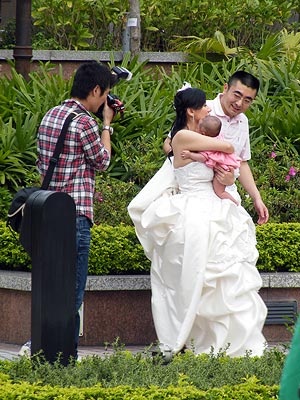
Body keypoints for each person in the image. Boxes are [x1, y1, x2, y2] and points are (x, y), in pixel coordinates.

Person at [128, 86, 267, 358]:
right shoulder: (181, 136)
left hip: (214, 206)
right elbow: (228, 147)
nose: (208, 109)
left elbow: (222, 165)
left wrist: (226, 178)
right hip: (192, 210)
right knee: (193, 277)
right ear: (191, 111)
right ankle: (190, 340)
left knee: (224, 279)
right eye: (203, 106)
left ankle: (226, 344)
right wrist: (226, 152)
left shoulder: (198, 136)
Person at [36, 61, 115, 359]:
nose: (104, 101)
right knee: (72, 292)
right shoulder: (84, 122)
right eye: (104, 94)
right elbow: (102, 161)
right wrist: (106, 125)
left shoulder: (51, 115)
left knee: (51, 287)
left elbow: (41, 163)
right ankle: (66, 355)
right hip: (75, 215)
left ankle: (44, 348)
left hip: (48, 212)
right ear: (95, 90)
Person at [163, 71, 269, 225]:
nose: (239, 103)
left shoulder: (243, 122)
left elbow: (242, 162)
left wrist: (256, 198)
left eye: (247, 100)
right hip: (195, 195)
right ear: (226, 88)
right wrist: (198, 165)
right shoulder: (202, 109)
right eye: (237, 95)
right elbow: (169, 144)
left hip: (225, 195)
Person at [181, 115, 241, 205]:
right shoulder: (218, 137)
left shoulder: (208, 145)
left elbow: (203, 158)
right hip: (228, 163)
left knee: (220, 192)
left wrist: (190, 155)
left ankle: (235, 204)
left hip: (223, 169)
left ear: (203, 133)